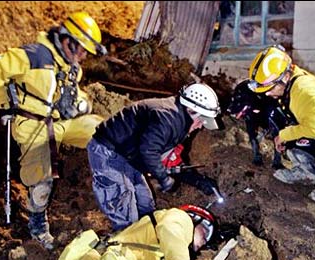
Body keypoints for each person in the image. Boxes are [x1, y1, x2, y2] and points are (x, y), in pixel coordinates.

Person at [0, 12, 107, 249]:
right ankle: (38, 224)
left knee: (102, 129)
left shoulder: (71, 68)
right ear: (67, 39)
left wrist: (81, 103)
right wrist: (3, 103)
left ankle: (114, 174)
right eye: (81, 49)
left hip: (59, 122)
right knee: (42, 177)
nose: (82, 56)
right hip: (33, 125)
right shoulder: (36, 55)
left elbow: (72, 93)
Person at [87, 83, 221, 231]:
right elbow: (148, 151)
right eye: (201, 121)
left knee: (145, 204)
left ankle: (147, 235)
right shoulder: (167, 118)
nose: (200, 126)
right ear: (191, 111)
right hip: (108, 152)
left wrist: (199, 181)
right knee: (124, 211)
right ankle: (127, 244)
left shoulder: (179, 123)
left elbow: (171, 160)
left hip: (128, 155)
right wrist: (164, 178)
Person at [247, 44, 315, 204]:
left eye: (270, 88)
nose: (267, 93)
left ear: (285, 77)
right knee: (286, 126)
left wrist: (284, 135)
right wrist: (285, 133)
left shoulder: (305, 91)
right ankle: (306, 172)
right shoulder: (291, 81)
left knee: (304, 141)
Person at [56, 204, 216, 260]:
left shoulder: (167, 253)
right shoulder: (180, 218)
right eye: (205, 233)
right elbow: (169, 229)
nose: (204, 241)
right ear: (195, 219)